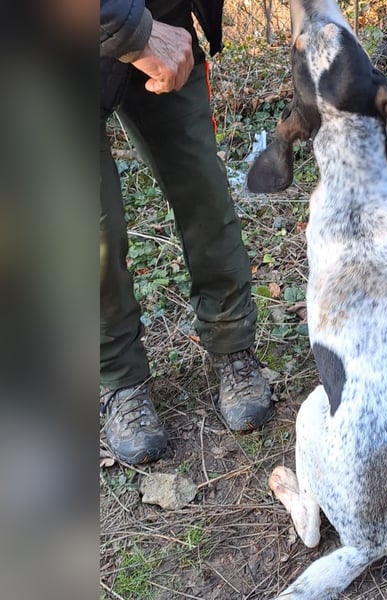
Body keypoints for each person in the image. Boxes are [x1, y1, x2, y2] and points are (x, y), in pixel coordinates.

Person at [100, 0, 272, 464]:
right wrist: (130, 32)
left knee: (204, 191)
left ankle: (233, 344)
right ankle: (121, 381)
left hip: (161, 18)